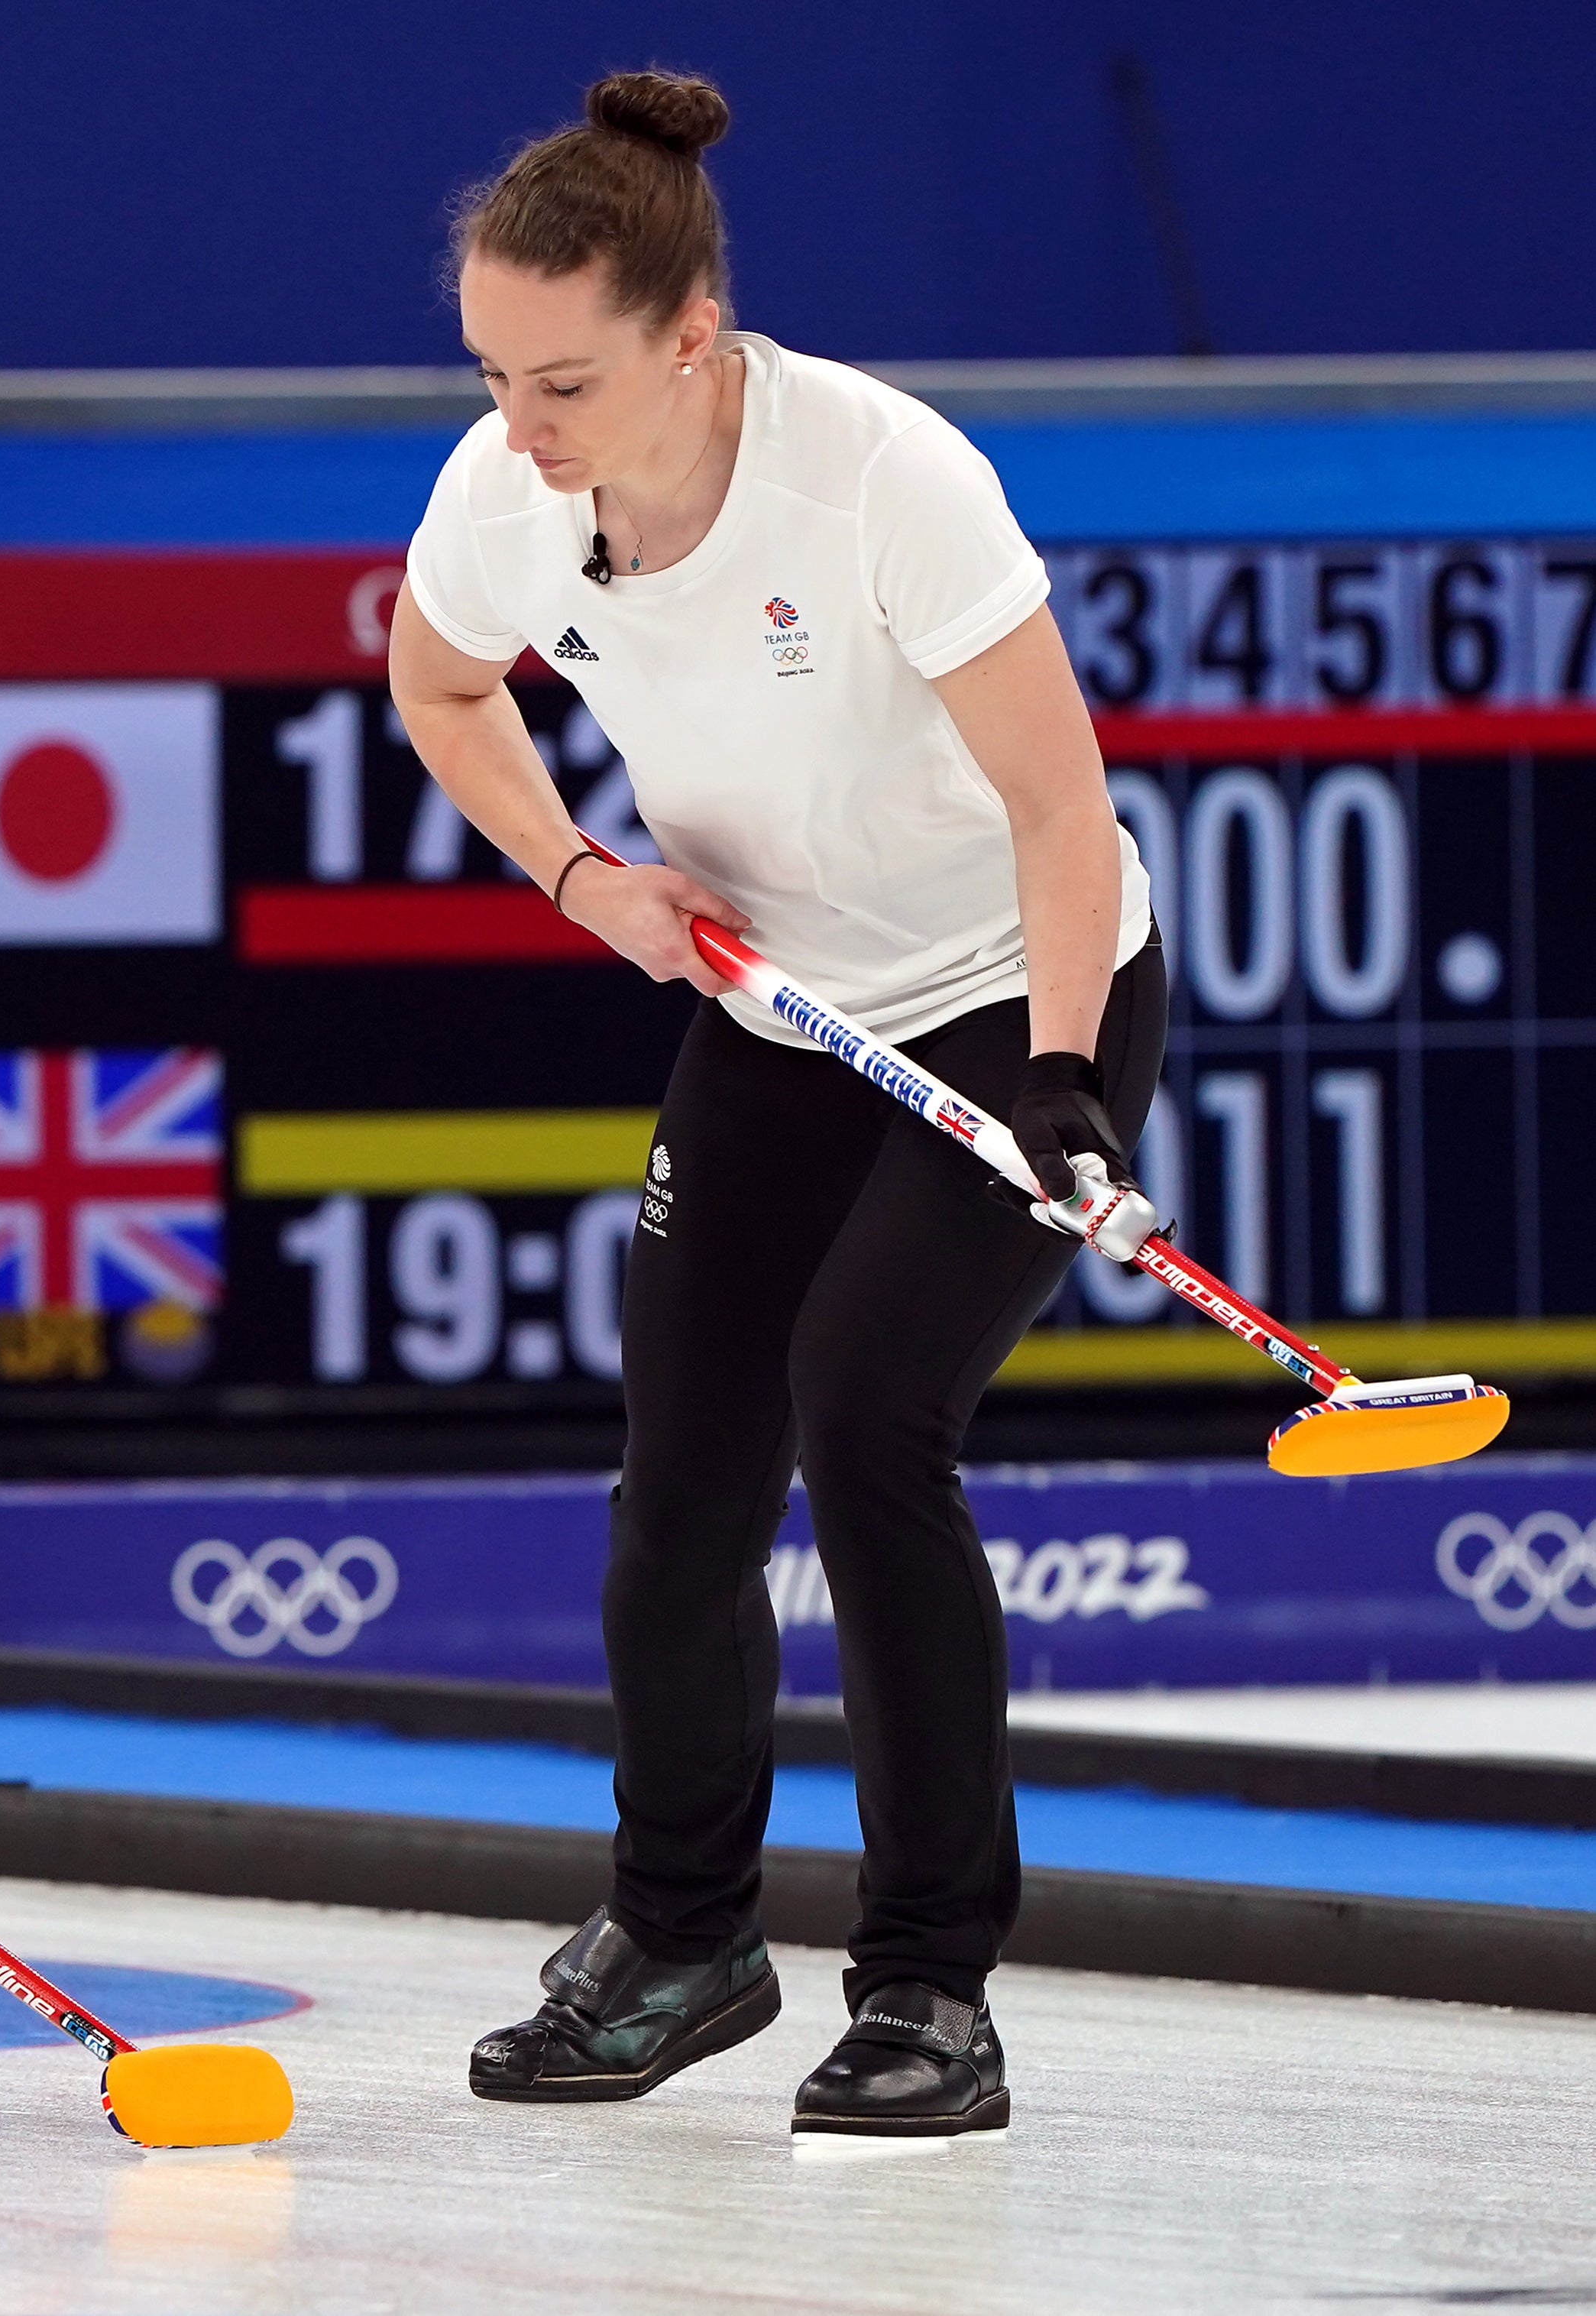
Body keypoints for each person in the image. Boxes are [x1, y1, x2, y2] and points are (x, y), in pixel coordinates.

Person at [389, 70, 1160, 2140]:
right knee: (683, 1481)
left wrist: (1075, 1082)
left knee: (865, 1414)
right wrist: (579, 873)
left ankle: (927, 1990)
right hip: (777, 1012)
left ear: (687, 344)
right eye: (487, 372)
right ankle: (678, 1936)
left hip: (1016, 992)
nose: (517, 424)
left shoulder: (881, 481)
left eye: (559, 380)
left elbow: (1056, 809)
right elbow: (439, 687)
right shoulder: (503, 490)